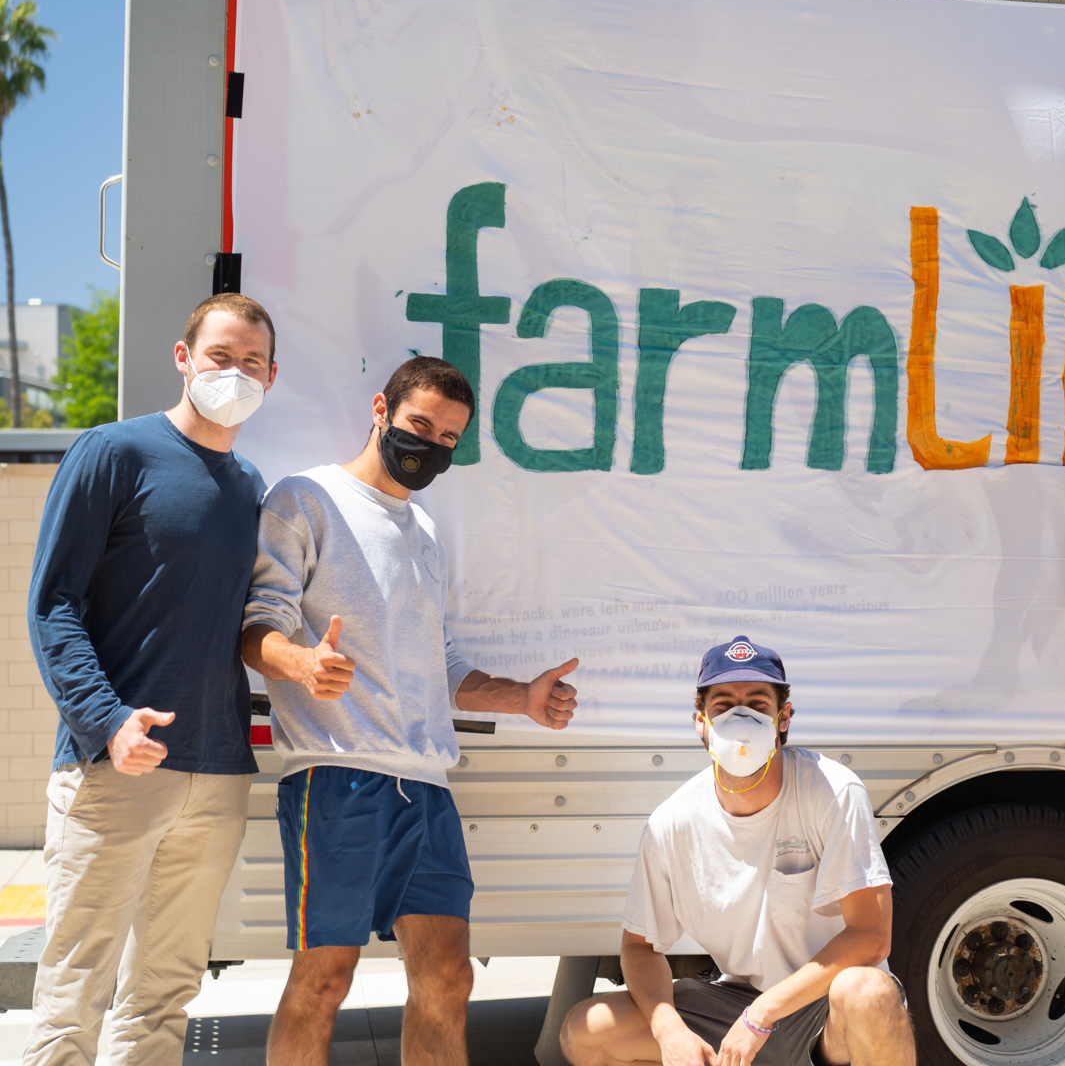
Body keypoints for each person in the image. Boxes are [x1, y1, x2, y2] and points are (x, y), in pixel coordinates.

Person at [240, 356, 585, 1066]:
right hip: (336, 779)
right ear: (381, 409)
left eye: (450, 438)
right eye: (420, 424)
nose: (431, 445)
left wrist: (519, 698)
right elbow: (255, 626)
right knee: (326, 979)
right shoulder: (304, 498)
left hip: (425, 788)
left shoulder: (424, 532)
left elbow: (443, 664)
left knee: (448, 977)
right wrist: (302, 662)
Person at [23, 294, 278, 1065]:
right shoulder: (112, 452)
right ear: (183, 358)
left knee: (166, 993)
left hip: (217, 771)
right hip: (115, 770)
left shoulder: (249, 486)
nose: (236, 374)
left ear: (273, 376)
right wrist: (107, 721)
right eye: (221, 357)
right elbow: (53, 602)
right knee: (76, 989)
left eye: (253, 363)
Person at [558, 635, 914, 1066]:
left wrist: (761, 1015)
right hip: (736, 1003)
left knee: (868, 992)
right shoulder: (673, 823)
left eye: (758, 704)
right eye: (723, 705)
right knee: (587, 1030)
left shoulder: (832, 791)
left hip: (823, 1011)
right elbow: (639, 947)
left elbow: (871, 936)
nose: (740, 718)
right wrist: (669, 1031)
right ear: (701, 722)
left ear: (783, 718)